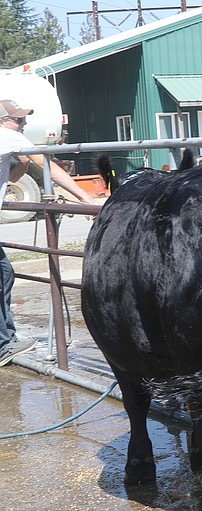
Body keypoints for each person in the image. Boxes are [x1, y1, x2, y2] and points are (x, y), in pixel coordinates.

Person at [0, 98, 98, 366]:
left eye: (23, 119)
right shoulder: (5, 135)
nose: (24, 124)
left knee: (5, 273)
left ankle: (7, 339)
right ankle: (3, 345)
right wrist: (86, 199)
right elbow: (48, 166)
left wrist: (19, 160)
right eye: (18, 120)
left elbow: (12, 179)